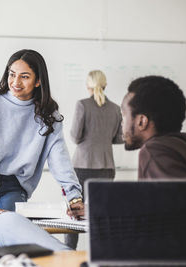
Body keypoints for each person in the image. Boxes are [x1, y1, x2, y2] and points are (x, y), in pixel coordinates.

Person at [0, 75, 186, 251]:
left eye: (125, 115)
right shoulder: (180, 145)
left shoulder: (155, 151)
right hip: (106, 167)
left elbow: (170, 223)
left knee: (5, 223)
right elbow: (155, 210)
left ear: (142, 122)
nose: (121, 123)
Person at [0, 49, 84, 244]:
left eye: (24, 76)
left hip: (12, 185)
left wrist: (74, 196)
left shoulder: (49, 115)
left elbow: (60, 158)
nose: (15, 82)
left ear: (38, 81)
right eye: (12, 74)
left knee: (12, 237)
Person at [66, 70, 123, 249]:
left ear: (87, 85)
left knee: (74, 212)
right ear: (104, 85)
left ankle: (69, 252)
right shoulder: (115, 108)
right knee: (101, 213)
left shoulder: (82, 105)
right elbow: (119, 138)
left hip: (82, 167)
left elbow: (75, 136)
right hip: (106, 167)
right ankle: (102, 252)